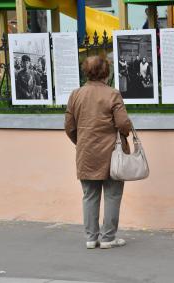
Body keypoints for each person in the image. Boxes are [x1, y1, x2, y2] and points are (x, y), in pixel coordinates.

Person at [65, 55, 133, 249]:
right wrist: (126, 130)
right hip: (111, 153)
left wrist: (81, 142)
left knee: (89, 195)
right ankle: (108, 238)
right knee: (112, 194)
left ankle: (91, 237)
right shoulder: (113, 94)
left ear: (86, 71)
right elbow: (122, 123)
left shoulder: (76, 94)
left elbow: (69, 126)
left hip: (86, 152)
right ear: (106, 72)